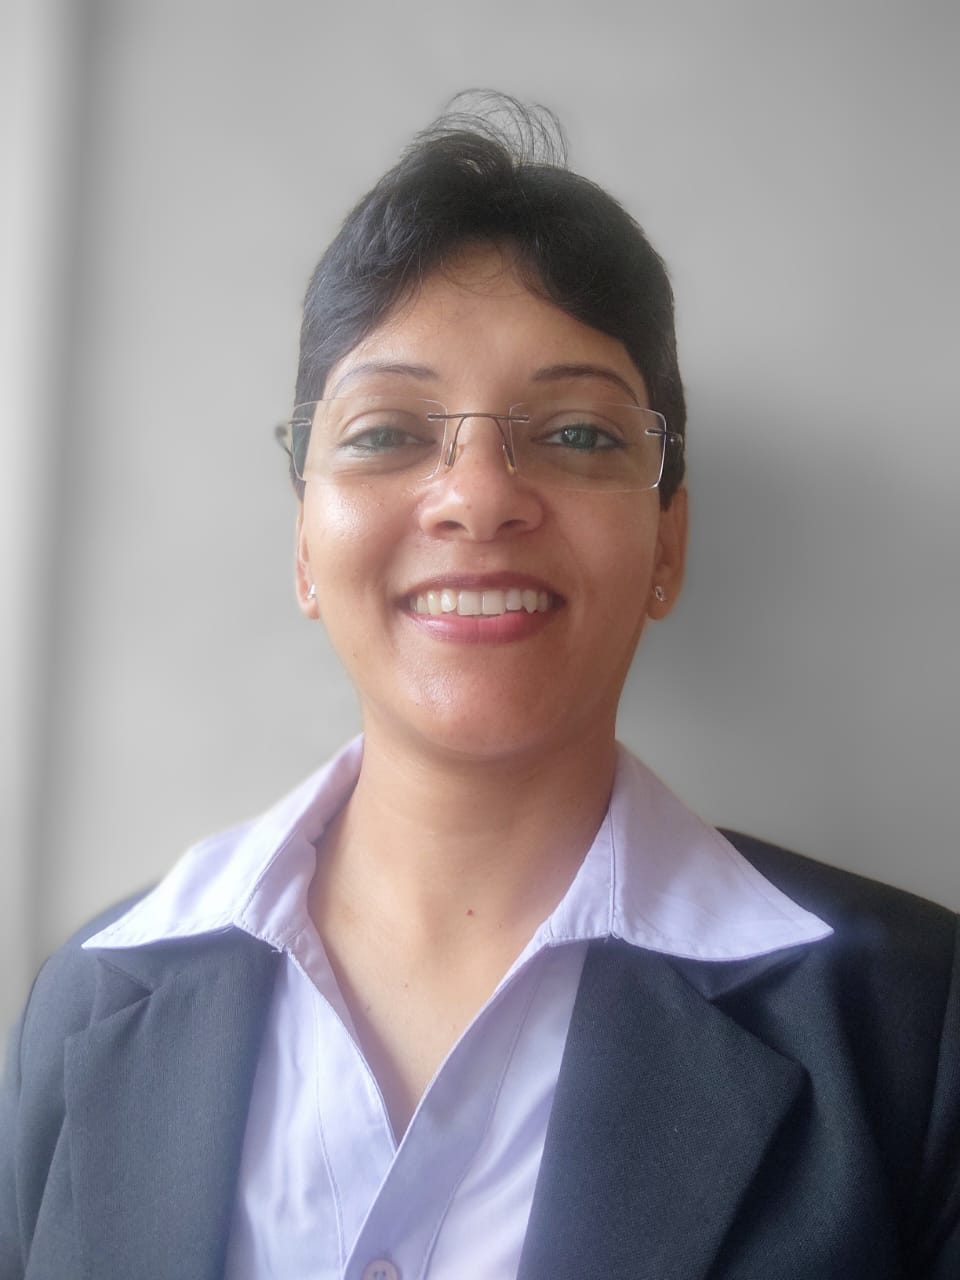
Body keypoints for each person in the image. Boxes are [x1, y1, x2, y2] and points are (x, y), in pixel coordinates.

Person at [1, 95, 957, 1280]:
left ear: (668, 541)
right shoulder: (89, 1002)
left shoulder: (913, 1027)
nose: (477, 495)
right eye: (387, 433)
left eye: (579, 434)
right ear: (304, 545)